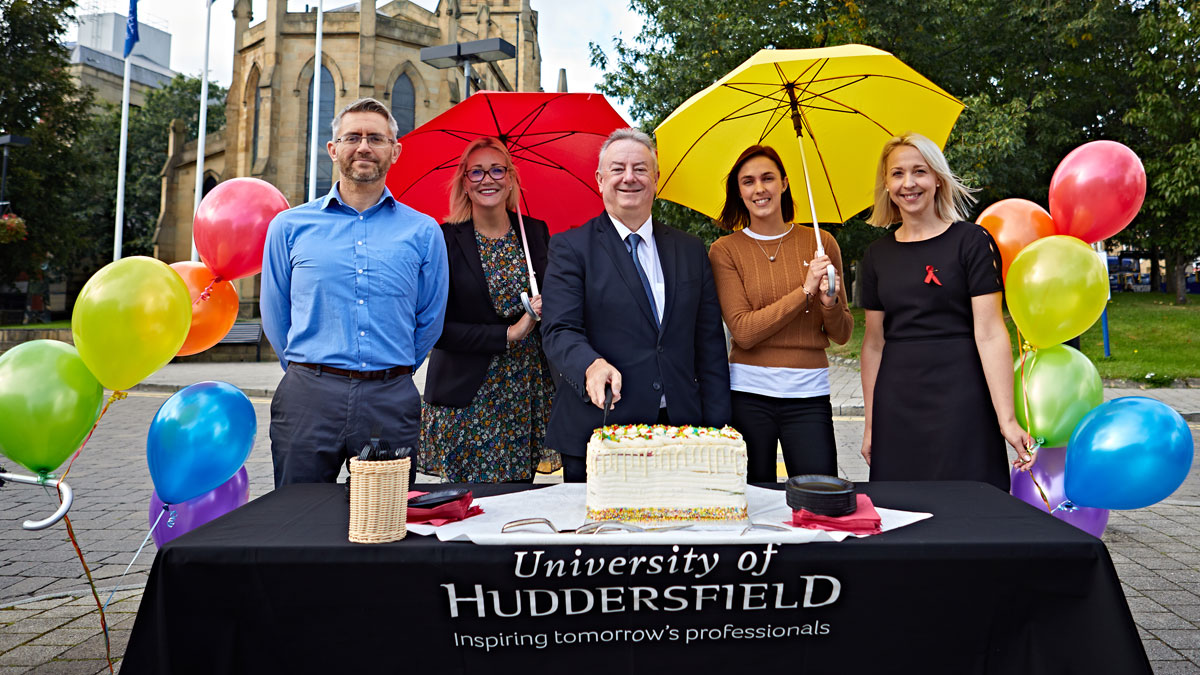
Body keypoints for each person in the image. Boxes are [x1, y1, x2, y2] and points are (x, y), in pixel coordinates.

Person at [261, 97, 449, 487]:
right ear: (333, 149)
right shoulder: (288, 227)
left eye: (376, 139)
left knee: (387, 528)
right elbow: (276, 313)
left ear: (394, 152)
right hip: (308, 398)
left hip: (390, 398)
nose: (364, 147)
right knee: (299, 523)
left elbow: (430, 317)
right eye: (353, 137)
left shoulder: (424, 231)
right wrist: (309, 371)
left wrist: (394, 371)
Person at [541, 128, 731, 482]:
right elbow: (559, 330)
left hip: (680, 431)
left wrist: (717, 428)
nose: (629, 177)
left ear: (656, 178)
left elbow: (709, 345)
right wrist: (591, 366)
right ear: (599, 180)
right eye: (617, 169)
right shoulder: (570, 248)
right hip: (600, 429)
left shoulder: (690, 250)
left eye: (640, 169)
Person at [859, 132, 1033, 491]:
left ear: (937, 178)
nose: (909, 183)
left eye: (919, 171)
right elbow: (874, 344)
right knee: (900, 512)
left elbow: (989, 332)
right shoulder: (876, 256)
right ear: (887, 184)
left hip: (963, 398)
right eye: (897, 174)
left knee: (972, 510)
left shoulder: (972, 241)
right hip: (898, 403)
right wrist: (871, 425)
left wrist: (1007, 419)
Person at [708, 145, 853, 482]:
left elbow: (843, 333)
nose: (759, 189)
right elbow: (743, 331)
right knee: (752, 501)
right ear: (739, 192)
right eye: (748, 182)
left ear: (785, 183)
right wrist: (804, 292)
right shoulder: (724, 251)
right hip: (747, 396)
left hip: (808, 396)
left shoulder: (821, 243)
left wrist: (829, 302)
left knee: (819, 499)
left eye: (768, 178)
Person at [419, 137, 559, 482]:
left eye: (497, 170)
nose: (488, 179)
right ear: (464, 183)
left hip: (525, 392)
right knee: (472, 506)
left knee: (519, 497)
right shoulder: (445, 239)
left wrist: (550, 303)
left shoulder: (536, 233)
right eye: (476, 172)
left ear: (511, 178)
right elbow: (436, 327)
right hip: (468, 396)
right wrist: (509, 333)